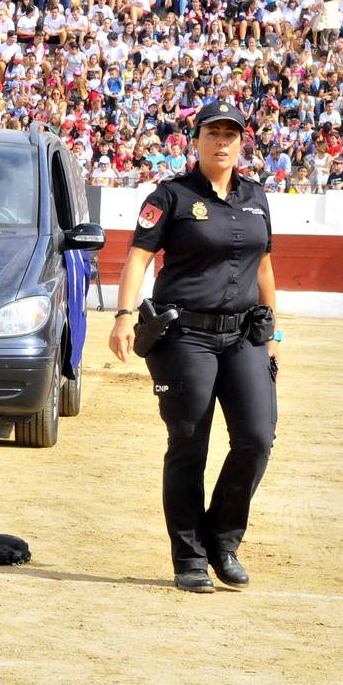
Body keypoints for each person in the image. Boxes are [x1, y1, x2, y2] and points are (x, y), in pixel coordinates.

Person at [108, 100, 280, 595]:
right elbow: (139, 257)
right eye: (213, 133)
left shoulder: (256, 197)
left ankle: (222, 541)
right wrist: (123, 315)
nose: (222, 141)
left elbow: (264, 268)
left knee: (256, 438)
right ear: (197, 139)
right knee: (189, 443)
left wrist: (274, 334)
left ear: (242, 141)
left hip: (245, 333)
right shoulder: (171, 196)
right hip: (184, 336)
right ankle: (189, 557)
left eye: (231, 134)